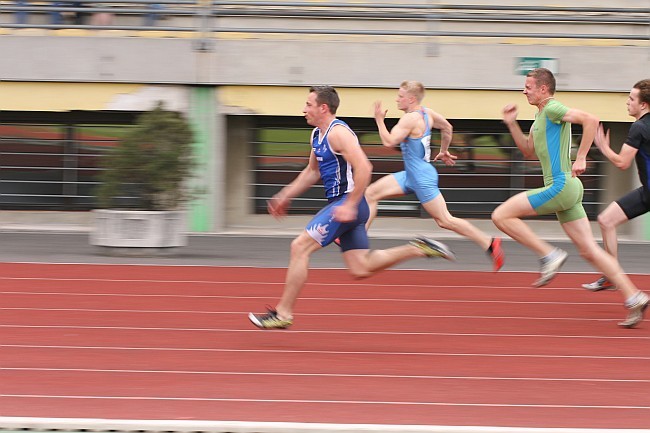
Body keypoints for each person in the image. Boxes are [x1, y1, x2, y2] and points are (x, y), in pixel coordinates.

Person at [248, 85, 455, 329]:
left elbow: (365, 167)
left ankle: (283, 313)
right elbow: (311, 172)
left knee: (299, 247)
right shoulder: (317, 135)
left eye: (308, 105)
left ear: (323, 108)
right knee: (361, 267)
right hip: (346, 205)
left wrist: (350, 205)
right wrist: (285, 195)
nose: (304, 109)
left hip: (348, 203)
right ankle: (417, 248)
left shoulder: (339, 133)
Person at [492, 68, 648, 328]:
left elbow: (590, 119)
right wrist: (510, 123)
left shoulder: (552, 108)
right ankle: (634, 296)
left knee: (501, 215)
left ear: (543, 89)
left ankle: (548, 254)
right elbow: (528, 151)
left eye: (528, 86)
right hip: (569, 190)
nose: (524, 90)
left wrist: (583, 156)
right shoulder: (540, 117)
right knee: (589, 251)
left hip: (561, 185)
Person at [366, 80, 505, 271]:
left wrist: (379, 120)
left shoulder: (409, 119)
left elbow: (389, 142)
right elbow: (447, 128)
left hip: (421, 177)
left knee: (445, 220)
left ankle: (490, 242)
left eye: (400, 96)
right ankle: (355, 237)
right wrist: (444, 151)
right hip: (412, 174)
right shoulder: (427, 113)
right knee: (371, 194)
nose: (397, 99)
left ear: (411, 98)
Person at [582, 79, 650, 292]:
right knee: (606, 220)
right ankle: (612, 273)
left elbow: (622, 162)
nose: (627, 103)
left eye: (631, 99)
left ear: (643, 105)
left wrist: (603, 147)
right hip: (647, 192)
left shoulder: (639, 127)